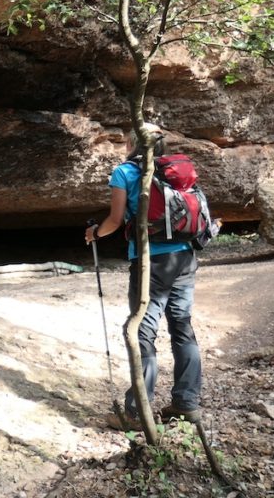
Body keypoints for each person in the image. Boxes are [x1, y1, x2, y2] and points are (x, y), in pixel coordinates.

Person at [84, 124, 203, 430]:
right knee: (181, 325)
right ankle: (186, 404)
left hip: (152, 259)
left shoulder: (125, 172)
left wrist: (95, 233)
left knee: (142, 329)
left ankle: (137, 412)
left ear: (134, 143)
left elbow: (115, 219)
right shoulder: (176, 170)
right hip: (186, 256)